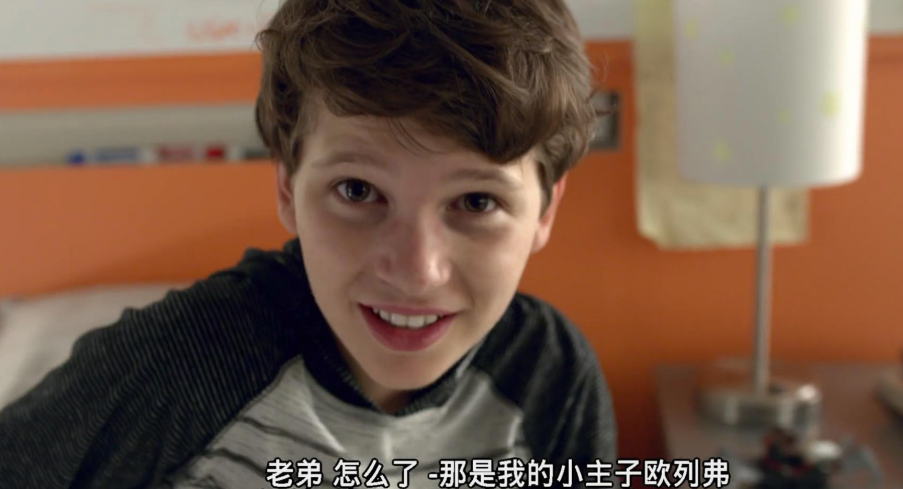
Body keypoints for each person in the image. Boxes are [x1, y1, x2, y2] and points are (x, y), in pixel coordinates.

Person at [0, 0, 619, 487]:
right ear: (288, 188)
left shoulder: (549, 373)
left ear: (545, 210)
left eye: (477, 202)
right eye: (358, 191)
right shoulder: (185, 363)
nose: (416, 271)